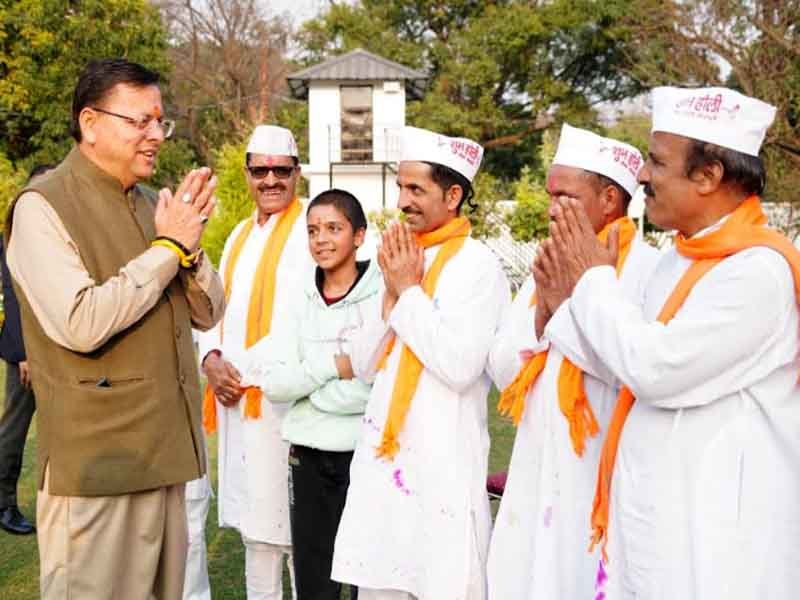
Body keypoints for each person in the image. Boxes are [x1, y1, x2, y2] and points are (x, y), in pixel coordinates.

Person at [540, 86, 800, 598]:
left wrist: (591, 281)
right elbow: (623, 364)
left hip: (719, 534)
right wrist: (563, 305)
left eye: (657, 162)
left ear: (708, 176)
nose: (641, 175)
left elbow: (656, 369)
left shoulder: (757, 272)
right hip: (657, 518)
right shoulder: (677, 260)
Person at [5, 58, 225, 599]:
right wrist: (168, 248)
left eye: (160, 121)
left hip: (166, 458)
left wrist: (190, 252)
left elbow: (209, 312)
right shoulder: (42, 207)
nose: (156, 135)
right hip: (98, 470)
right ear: (90, 123)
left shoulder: (154, 206)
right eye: (139, 121)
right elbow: (81, 321)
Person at [331, 126, 511, 600]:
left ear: (453, 196)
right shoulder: (400, 256)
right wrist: (394, 292)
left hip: (442, 466)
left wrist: (408, 292)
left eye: (416, 189)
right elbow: (364, 364)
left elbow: (459, 365)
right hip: (385, 463)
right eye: (400, 186)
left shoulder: (478, 267)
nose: (402, 201)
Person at [486, 125, 659, 599]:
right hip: (535, 464)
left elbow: (632, 369)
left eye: (565, 196)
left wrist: (561, 313)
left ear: (609, 199)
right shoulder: (546, 263)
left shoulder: (646, 270)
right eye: (551, 195)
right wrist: (541, 317)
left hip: (597, 467)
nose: (551, 208)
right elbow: (502, 368)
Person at [242, 189, 379, 599]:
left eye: (334, 228)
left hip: (364, 453)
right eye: (313, 230)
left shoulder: (382, 294)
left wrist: (310, 387)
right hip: (308, 456)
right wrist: (335, 365)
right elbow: (276, 384)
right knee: (315, 583)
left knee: (369, 578)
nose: (321, 239)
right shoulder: (298, 296)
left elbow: (374, 387)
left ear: (359, 235)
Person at [198, 124, 312, 600]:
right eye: (260, 171)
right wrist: (211, 357)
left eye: (280, 171)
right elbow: (213, 306)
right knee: (256, 535)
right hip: (238, 405)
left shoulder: (315, 229)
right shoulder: (238, 236)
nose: (270, 180)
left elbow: (314, 317)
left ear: (297, 173)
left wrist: (245, 371)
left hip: (290, 404)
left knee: (301, 534)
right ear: (246, 174)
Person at [0, 164, 54, 536]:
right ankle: (3, 504)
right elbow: (12, 295)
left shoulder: (49, 231)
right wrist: (23, 353)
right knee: (15, 429)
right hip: (27, 353)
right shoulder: (17, 231)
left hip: (56, 348)